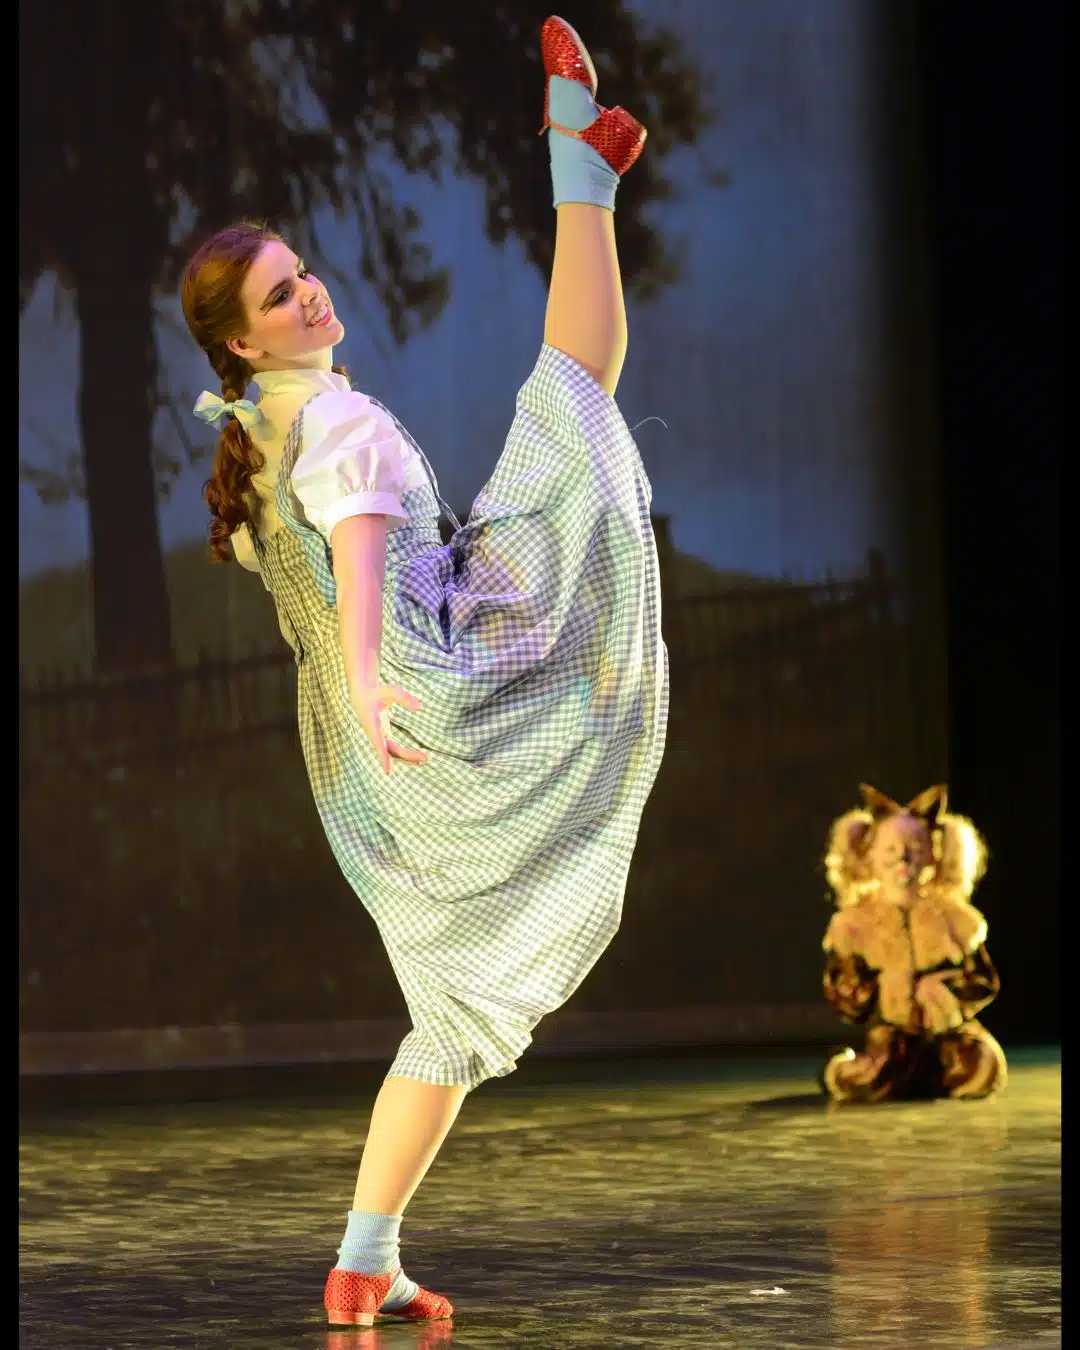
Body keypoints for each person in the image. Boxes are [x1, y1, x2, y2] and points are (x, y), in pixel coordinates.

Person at [181, 16, 668, 1329]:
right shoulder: (332, 419)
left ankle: (365, 1252)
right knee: (573, 413)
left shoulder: (261, 432)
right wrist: (376, 667)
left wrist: (360, 679)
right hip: (432, 680)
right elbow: (356, 551)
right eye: (281, 297)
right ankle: (581, 182)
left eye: (305, 275)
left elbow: (288, 548)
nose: (313, 297)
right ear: (240, 340)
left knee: (451, 1015)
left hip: (378, 766)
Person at [820, 784, 1007, 1104]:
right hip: (893, 1040)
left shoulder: (955, 920)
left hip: (945, 1039)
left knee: (979, 1068)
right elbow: (842, 992)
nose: (903, 858)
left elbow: (982, 980)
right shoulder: (853, 925)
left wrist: (942, 988)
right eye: (891, 850)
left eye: (915, 848)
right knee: (879, 1077)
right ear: (871, 857)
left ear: (932, 855)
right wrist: (882, 990)